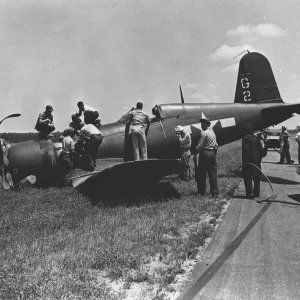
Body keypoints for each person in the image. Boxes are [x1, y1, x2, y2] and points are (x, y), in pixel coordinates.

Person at [195, 117, 218, 197]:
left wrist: (196, 151)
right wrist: (214, 154)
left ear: (207, 124)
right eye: (201, 123)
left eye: (203, 123)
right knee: (212, 174)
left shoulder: (204, 133)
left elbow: (200, 146)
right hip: (212, 154)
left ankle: (202, 192)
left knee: (201, 174)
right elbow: (216, 145)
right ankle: (215, 193)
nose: (201, 125)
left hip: (205, 154)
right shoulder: (213, 133)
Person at [242, 126, 267, 199]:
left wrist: (245, 163)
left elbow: (246, 151)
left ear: (246, 130)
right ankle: (256, 193)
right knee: (256, 178)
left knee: (247, 178)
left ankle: (250, 193)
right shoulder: (257, 139)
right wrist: (266, 147)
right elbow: (262, 153)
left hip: (249, 162)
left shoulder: (245, 138)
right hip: (257, 162)